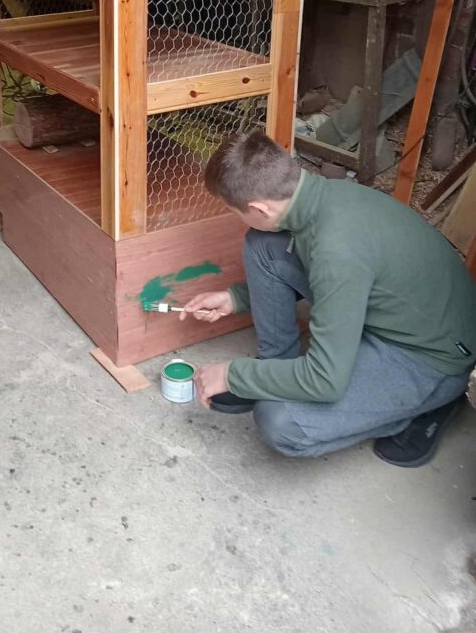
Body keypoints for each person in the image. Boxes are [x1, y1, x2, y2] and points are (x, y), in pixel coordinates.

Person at [180, 130, 476, 467]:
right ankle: (276, 370)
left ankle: (429, 403)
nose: (238, 218)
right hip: (400, 313)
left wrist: (234, 374)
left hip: (429, 357)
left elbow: (324, 380)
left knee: (281, 421)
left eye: (235, 212)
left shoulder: (336, 250)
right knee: (263, 245)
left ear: (259, 208)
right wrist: (237, 299)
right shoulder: (326, 197)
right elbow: (331, 276)